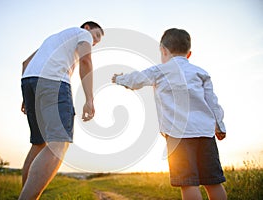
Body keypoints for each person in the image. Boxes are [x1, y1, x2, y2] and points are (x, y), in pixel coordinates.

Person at [112, 28, 227, 200]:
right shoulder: (201, 73)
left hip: (177, 135)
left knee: (188, 183)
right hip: (205, 133)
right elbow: (213, 102)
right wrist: (220, 126)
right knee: (213, 182)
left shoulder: (159, 71)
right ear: (189, 54)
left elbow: (135, 80)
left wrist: (118, 79)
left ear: (163, 51)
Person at [19, 21, 104, 199]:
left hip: (29, 82)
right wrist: (89, 99)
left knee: (38, 144)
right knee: (59, 143)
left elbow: (26, 63)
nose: (94, 42)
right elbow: (86, 61)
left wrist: (27, 96)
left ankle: (25, 194)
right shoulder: (83, 34)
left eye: (97, 42)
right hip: (54, 82)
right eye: (96, 36)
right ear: (87, 28)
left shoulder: (52, 39)